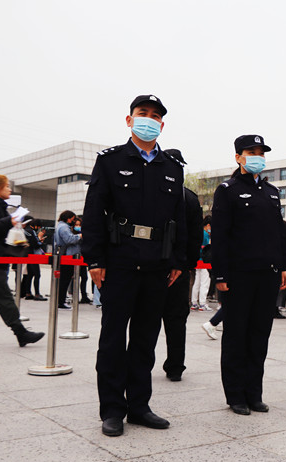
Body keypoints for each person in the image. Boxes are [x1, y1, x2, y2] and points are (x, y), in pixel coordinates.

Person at [82, 94, 187, 437]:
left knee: (145, 338)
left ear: (161, 125)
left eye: (155, 116)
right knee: (113, 339)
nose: (149, 119)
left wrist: (177, 260)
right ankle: (112, 409)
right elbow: (94, 210)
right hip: (119, 261)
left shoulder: (172, 167)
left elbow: (178, 219)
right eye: (143, 113)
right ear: (129, 120)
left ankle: (140, 406)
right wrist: (95, 259)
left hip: (157, 265)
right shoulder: (110, 160)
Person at [210, 134, 286, 416]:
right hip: (238, 275)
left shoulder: (271, 192)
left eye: (261, 152)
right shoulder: (227, 190)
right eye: (251, 151)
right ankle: (236, 395)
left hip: (267, 275)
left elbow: (279, 234)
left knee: (259, 335)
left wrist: (283, 266)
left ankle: (254, 393)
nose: (258, 156)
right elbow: (219, 236)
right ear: (238, 157)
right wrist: (219, 275)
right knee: (236, 336)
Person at [0, 174, 45, 347]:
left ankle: (21, 333)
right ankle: (21, 333)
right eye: (7, 186)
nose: (9, 189)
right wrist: (10, 220)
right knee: (4, 298)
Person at [161, 149, 203, 381]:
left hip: (154, 266)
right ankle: (175, 367)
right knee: (176, 320)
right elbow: (195, 238)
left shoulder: (156, 193)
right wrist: (188, 265)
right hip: (180, 268)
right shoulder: (190, 197)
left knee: (146, 319)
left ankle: (141, 364)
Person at [54, 210, 82, 309]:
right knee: (65, 279)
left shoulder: (60, 226)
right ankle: (61, 302)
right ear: (68, 218)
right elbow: (69, 239)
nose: (73, 221)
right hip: (67, 255)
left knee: (64, 279)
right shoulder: (64, 227)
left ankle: (61, 300)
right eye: (73, 219)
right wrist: (79, 236)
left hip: (64, 253)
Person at [21, 216, 47, 301]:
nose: (39, 229)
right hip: (32, 255)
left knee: (29, 275)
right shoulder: (31, 231)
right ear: (36, 225)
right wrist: (40, 241)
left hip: (26, 254)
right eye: (39, 227)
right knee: (37, 274)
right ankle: (37, 294)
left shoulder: (26, 230)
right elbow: (35, 244)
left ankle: (28, 292)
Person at [191, 216, 212, 312]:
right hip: (205, 261)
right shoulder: (206, 235)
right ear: (208, 225)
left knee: (197, 282)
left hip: (198, 261)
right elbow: (207, 248)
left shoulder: (199, 232)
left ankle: (194, 302)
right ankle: (203, 304)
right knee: (205, 283)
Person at [73, 217, 91, 304]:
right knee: (74, 278)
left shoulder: (84, 233)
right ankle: (73, 296)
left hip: (82, 258)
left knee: (84, 277)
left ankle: (84, 296)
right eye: (76, 225)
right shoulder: (73, 234)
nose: (78, 226)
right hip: (73, 258)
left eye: (79, 225)